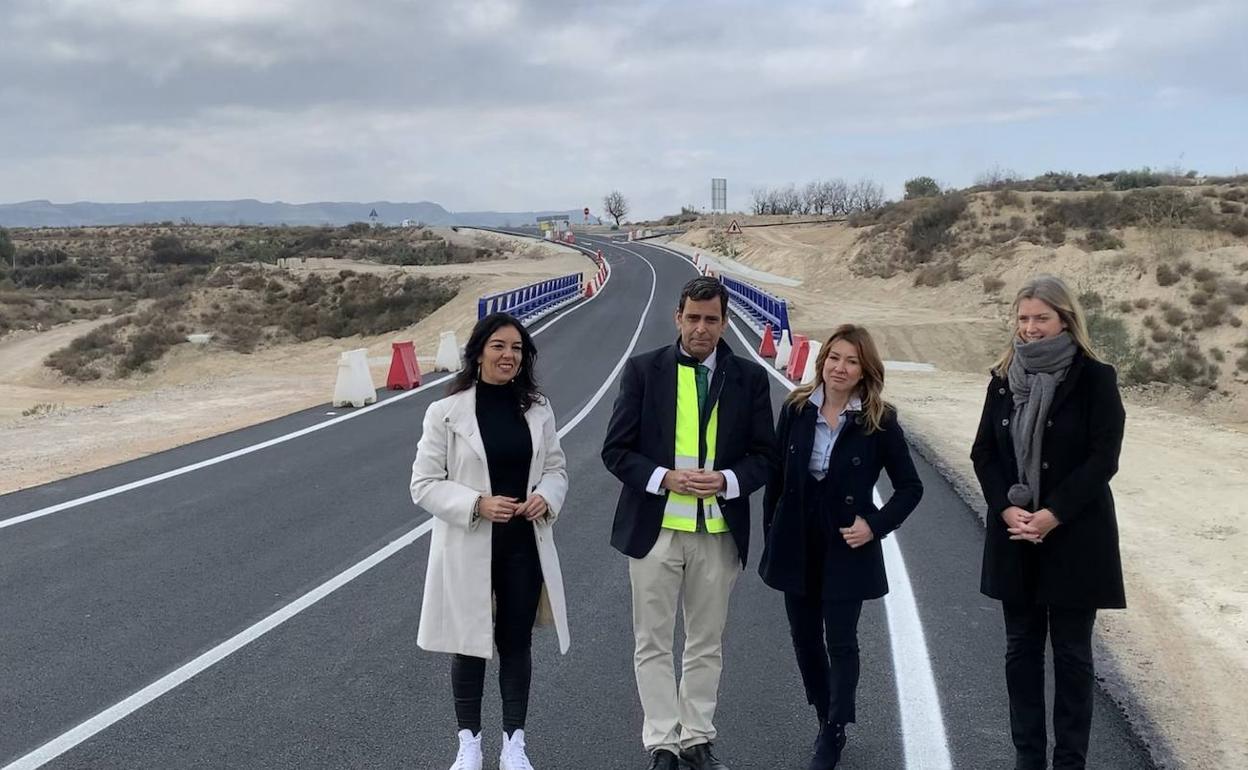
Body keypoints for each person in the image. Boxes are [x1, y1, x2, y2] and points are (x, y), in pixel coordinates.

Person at [602, 276, 776, 770]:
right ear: (677, 317)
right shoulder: (643, 372)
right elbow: (616, 451)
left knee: (706, 641)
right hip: (655, 532)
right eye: (693, 318)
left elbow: (765, 457)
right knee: (652, 641)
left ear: (724, 322)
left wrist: (726, 480)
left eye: (712, 319)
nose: (702, 328)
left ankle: (696, 738)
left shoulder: (749, 378)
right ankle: (662, 741)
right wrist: (663, 477)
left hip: (717, 534)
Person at [971, 275, 1126, 770]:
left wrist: (1053, 513)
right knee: (1021, 653)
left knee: (1073, 656)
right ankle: (1028, 759)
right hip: (1016, 534)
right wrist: (1004, 507)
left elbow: (1104, 458)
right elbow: (984, 453)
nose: (1031, 328)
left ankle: (1070, 762)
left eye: (1041, 317)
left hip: (1075, 535)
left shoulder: (1095, 377)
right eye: (1023, 318)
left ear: (1065, 319)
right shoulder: (1002, 378)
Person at [758, 324, 923, 769]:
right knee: (804, 638)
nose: (840, 368)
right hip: (796, 537)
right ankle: (822, 715)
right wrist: (769, 535)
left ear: (865, 369)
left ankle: (834, 730)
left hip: (846, 541)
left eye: (851, 361)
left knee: (842, 640)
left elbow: (910, 487)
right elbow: (775, 479)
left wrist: (874, 525)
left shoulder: (878, 420)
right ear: (822, 360)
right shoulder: (795, 409)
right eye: (834, 358)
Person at [410, 312, 570, 770]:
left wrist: (545, 496)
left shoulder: (537, 408)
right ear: (478, 352)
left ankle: (514, 745)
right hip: (470, 543)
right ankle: (469, 745)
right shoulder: (445, 412)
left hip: (523, 543)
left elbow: (557, 469)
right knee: (469, 642)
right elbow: (423, 484)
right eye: (499, 346)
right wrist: (477, 503)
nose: (508, 355)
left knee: (516, 642)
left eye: (517, 348)